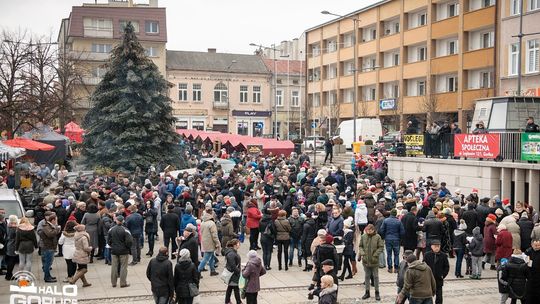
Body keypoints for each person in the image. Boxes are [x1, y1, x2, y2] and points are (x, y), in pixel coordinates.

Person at [358, 223, 384, 301]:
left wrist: (375, 254)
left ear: (373, 230)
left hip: (374, 261)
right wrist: (362, 253)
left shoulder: (377, 237)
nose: (368, 231)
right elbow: (360, 246)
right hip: (365, 260)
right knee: (367, 276)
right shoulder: (363, 236)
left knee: (375, 277)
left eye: (369, 230)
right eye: (367, 230)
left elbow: (381, 247)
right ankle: (367, 292)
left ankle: (377, 292)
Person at [108, 215, 133, 288]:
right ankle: (123, 283)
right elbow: (129, 241)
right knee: (123, 267)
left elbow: (108, 240)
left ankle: (113, 283)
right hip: (123, 250)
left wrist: (112, 246)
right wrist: (127, 247)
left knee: (114, 266)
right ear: (123, 221)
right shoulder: (125, 230)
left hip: (114, 250)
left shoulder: (111, 229)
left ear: (116, 220)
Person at [379, 208, 405, 273]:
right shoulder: (398, 221)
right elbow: (402, 232)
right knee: (396, 254)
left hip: (388, 239)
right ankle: (396, 267)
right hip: (396, 239)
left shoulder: (386, 220)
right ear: (396, 214)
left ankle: (390, 268)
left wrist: (384, 236)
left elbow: (381, 230)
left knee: (389, 254)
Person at [423, 240, 449, 304]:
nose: (437, 248)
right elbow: (423, 265)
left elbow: (446, 267)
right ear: (431, 247)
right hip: (429, 278)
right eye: (435, 246)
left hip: (439, 278)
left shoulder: (443, 255)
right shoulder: (427, 255)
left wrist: (443, 275)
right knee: (428, 294)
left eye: (438, 246)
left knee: (439, 295)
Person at [39, 212, 61, 283]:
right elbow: (50, 234)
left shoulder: (50, 225)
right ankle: (47, 277)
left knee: (48, 263)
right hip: (48, 247)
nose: (56, 221)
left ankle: (48, 276)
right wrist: (57, 229)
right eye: (56, 220)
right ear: (53, 220)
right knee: (47, 263)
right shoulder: (46, 226)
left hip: (50, 247)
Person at [224, 239, 242, 304]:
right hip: (233, 274)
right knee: (236, 288)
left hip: (233, 273)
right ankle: (238, 302)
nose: (239, 245)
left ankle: (227, 301)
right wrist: (238, 271)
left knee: (230, 287)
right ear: (234, 245)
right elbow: (232, 265)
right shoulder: (231, 253)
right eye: (238, 243)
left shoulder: (233, 251)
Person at [4, 215, 19, 280]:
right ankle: (8, 275)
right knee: (12, 261)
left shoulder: (8, 226)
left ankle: (9, 274)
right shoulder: (14, 228)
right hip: (13, 245)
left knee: (11, 260)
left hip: (9, 244)